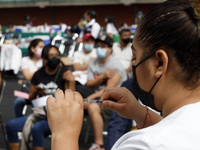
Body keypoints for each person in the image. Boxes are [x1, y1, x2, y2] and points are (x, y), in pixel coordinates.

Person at [47, 0, 200, 149]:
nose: (132, 65)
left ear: (159, 63)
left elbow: (163, 137)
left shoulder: (144, 144)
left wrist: (63, 135)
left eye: (134, 57)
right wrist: (139, 113)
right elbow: (176, 130)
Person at [6, 45, 74, 150]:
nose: (55, 58)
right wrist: (35, 92)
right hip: (40, 114)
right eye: (51, 55)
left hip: (57, 117)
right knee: (11, 126)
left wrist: (71, 81)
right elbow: (31, 98)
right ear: (44, 59)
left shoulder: (64, 73)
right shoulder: (38, 74)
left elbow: (71, 100)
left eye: (57, 55)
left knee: (37, 128)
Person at [76, 35, 127, 150]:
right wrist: (102, 76)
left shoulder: (115, 64)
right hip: (96, 96)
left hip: (115, 100)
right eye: (98, 46)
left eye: (103, 46)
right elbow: (89, 83)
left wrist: (88, 99)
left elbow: (108, 90)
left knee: (92, 106)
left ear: (110, 49)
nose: (99, 48)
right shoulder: (93, 63)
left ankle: (99, 145)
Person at [14, 38, 45, 118]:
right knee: (18, 102)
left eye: (43, 47)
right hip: (28, 91)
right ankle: (20, 121)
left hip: (43, 91)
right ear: (33, 48)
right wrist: (41, 69)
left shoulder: (44, 61)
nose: (42, 49)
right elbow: (28, 77)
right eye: (40, 47)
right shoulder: (25, 60)